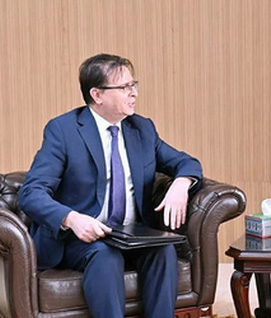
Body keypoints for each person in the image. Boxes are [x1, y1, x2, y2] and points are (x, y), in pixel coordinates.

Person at [18, 54, 203, 318]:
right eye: (125, 87)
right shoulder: (64, 130)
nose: (134, 93)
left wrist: (181, 184)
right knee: (105, 255)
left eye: (133, 85)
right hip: (80, 238)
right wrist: (71, 219)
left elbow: (186, 162)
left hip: (131, 234)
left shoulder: (142, 129)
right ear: (97, 95)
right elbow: (31, 193)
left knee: (163, 250)